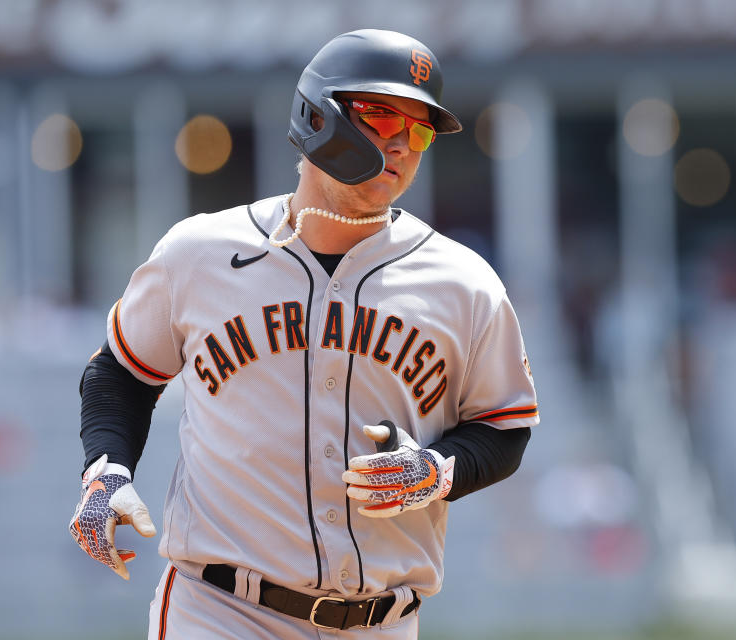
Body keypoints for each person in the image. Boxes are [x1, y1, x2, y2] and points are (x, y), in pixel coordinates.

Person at [69, 28, 539, 639]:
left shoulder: (463, 283)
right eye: (379, 116)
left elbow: (505, 428)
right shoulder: (201, 253)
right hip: (222, 611)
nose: (400, 144)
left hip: (382, 619)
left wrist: (437, 470)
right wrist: (105, 471)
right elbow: (118, 373)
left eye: (418, 130)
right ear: (319, 116)